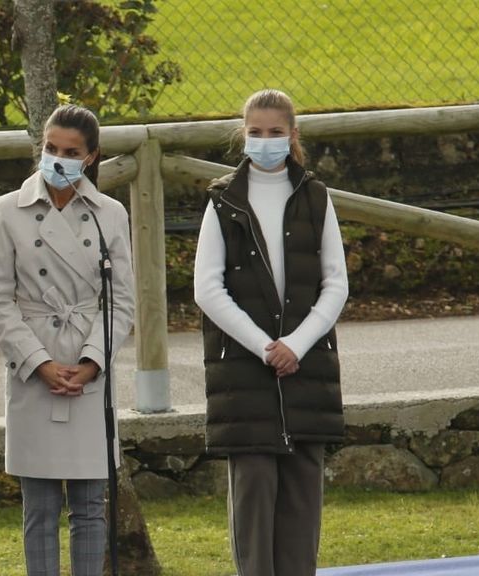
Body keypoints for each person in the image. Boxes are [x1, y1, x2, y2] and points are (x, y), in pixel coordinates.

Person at [193, 89, 349, 576]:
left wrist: (295, 345)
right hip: (245, 372)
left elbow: (336, 284)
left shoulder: (317, 198)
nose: (265, 141)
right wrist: (265, 347)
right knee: (254, 498)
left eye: (275, 132)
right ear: (244, 134)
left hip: (306, 371)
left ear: (292, 135)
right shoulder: (222, 202)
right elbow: (207, 289)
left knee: (302, 503)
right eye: (255, 133)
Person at [0, 104, 136, 576]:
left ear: (90, 157)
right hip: (33, 369)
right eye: (51, 148)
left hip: (90, 369)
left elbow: (123, 300)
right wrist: (40, 362)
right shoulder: (8, 211)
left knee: (90, 506)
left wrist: (91, 362)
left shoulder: (111, 214)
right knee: (39, 510)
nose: (58, 159)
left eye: (71, 152)